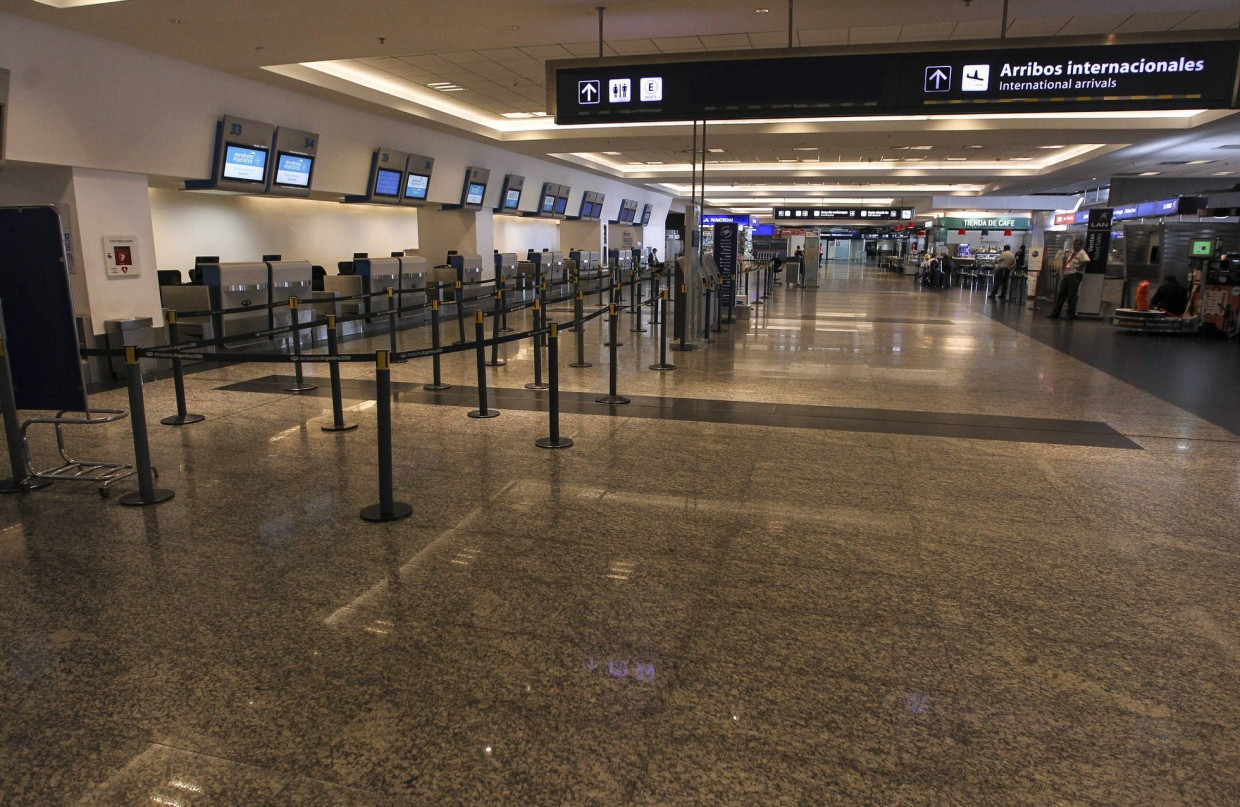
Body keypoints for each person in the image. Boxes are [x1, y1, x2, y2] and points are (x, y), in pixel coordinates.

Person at [1047, 238, 1089, 319]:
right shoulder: (1072, 252)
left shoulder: (1082, 253)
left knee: (1071, 295)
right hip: (1067, 274)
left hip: (1074, 275)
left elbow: (1087, 260)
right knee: (1061, 294)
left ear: (1081, 245)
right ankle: (1056, 313)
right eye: (1074, 244)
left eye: (1077, 245)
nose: (1075, 246)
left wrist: (1080, 267)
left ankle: (1070, 314)